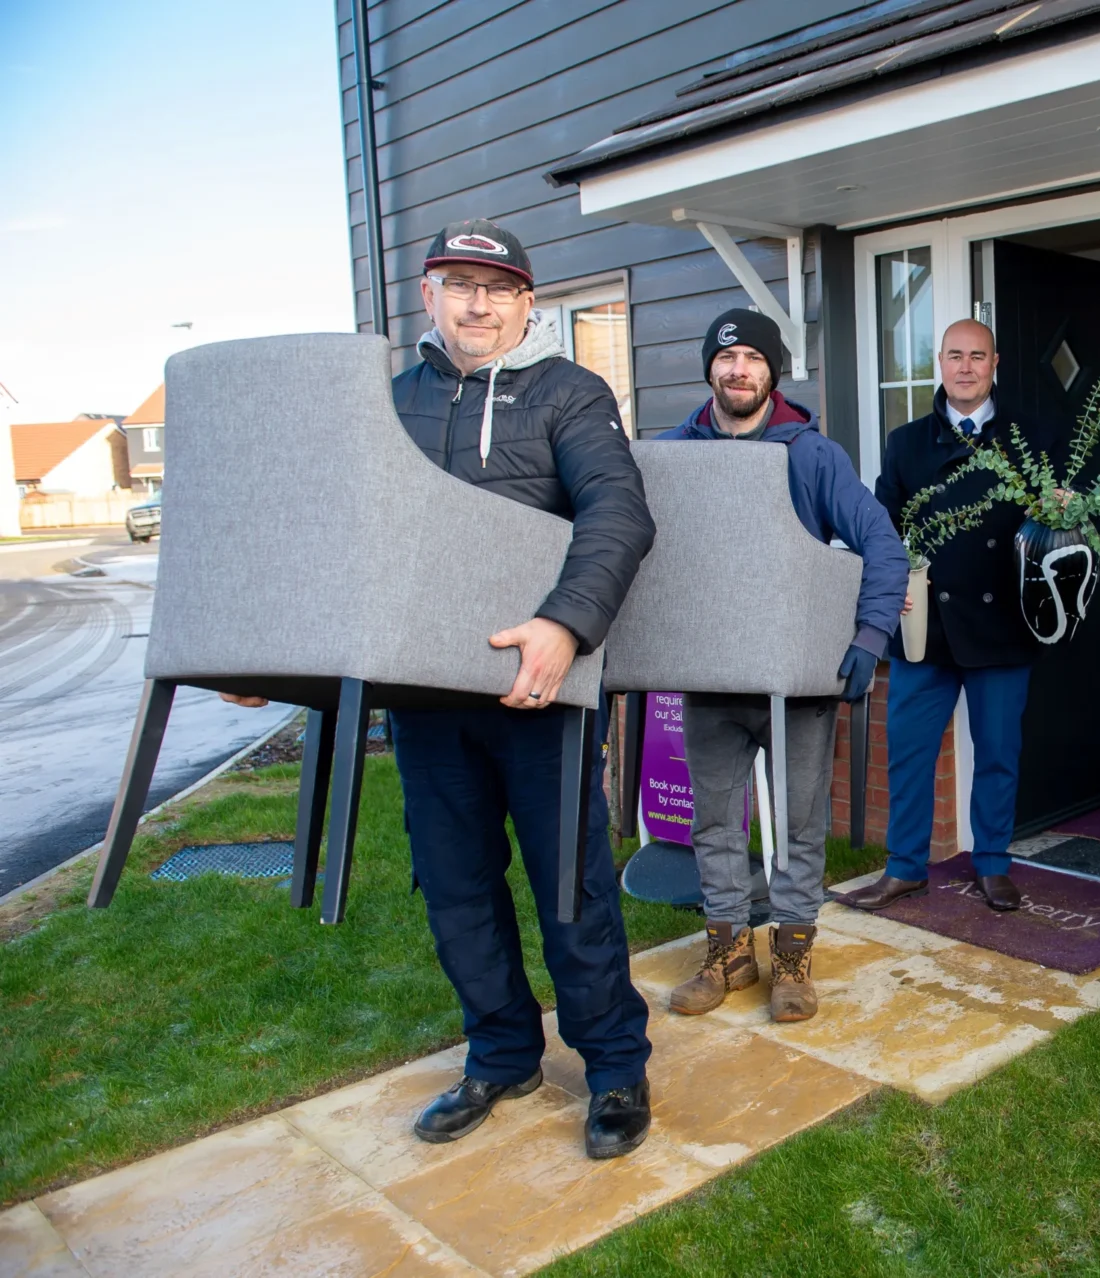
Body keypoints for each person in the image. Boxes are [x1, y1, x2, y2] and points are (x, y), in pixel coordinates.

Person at [224, 218, 657, 1159]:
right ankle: (501, 1052)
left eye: (497, 288)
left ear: (527, 303)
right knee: (455, 889)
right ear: (428, 295)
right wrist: (265, 652)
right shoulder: (387, 405)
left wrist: (565, 624)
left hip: (539, 695)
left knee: (570, 890)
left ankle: (616, 1065)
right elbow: (336, 534)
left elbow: (619, 514)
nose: (477, 302)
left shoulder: (571, 395)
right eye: (459, 284)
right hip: (424, 704)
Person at [656, 309, 907, 1022]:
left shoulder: (812, 455)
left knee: (798, 825)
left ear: (773, 370)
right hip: (710, 677)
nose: (739, 369)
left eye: (753, 358)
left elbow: (881, 546)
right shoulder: (678, 454)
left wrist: (869, 637)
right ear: (710, 366)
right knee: (714, 823)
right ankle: (728, 953)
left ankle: (793, 959)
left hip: (797, 680)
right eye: (727, 356)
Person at [848, 318, 1049, 916]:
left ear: (995, 364)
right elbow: (882, 529)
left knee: (997, 753)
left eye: (977, 356)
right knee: (908, 753)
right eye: (955, 355)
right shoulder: (906, 442)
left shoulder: (1029, 439)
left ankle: (992, 864)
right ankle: (904, 869)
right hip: (925, 629)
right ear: (940, 363)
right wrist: (890, 590)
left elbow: (1051, 531)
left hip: (1003, 628)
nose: (965, 367)